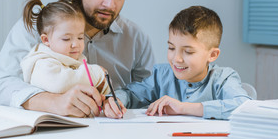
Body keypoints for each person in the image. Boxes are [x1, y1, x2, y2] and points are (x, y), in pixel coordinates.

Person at [0, 0, 154, 118]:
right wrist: (53, 102)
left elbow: (148, 90)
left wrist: (118, 98)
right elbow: (0, 87)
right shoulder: (35, 27)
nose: (110, 4)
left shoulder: (136, 38)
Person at [105, 6, 251, 120]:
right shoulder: (160, 75)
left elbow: (244, 106)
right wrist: (115, 100)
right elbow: (129, 93)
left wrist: (183, 108)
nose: (176, 59)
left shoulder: (223, 78)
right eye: (171, 48)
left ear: (212, 55)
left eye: (188, 52)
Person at [20, 0, 109, 99]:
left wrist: (103, 85)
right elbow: (60, 83)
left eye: (80, 37)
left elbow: (88, 86)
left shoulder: (75, 60)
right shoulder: (42, 62)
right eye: (66, 39)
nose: (76, 44)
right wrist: (96, 74)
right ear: (46, 40)